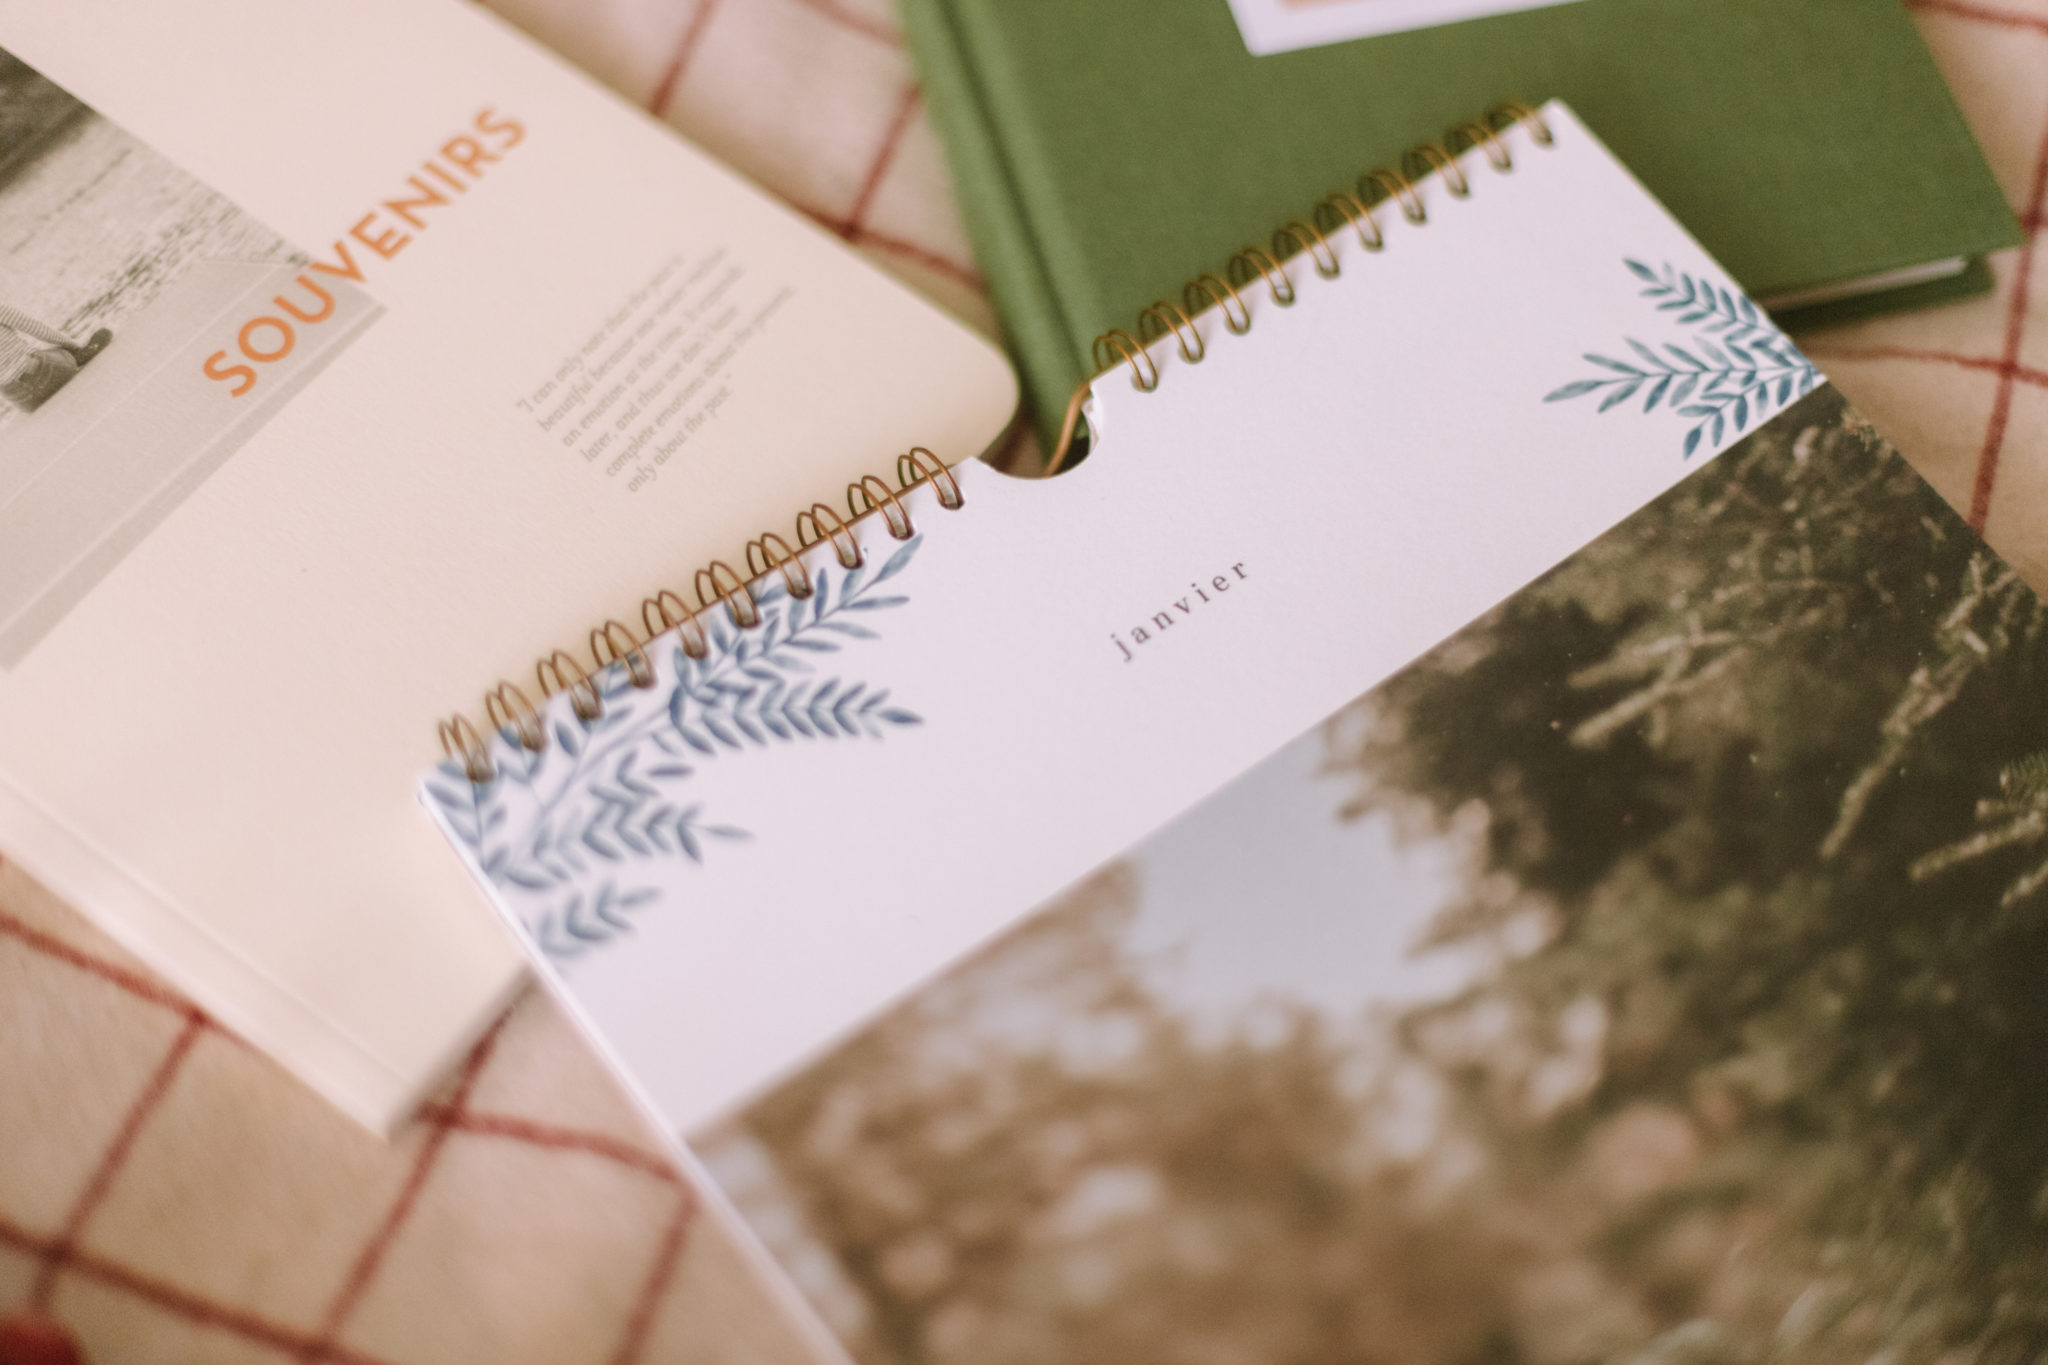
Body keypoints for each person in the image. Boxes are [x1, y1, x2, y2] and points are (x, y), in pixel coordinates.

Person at [0, 303, 111, 413]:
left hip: (23, 401)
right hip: (46, 374)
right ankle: (80, 355)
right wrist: (74, 348)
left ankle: (68, 360)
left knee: (43, 354)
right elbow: (37, 329)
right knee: (60, 351)